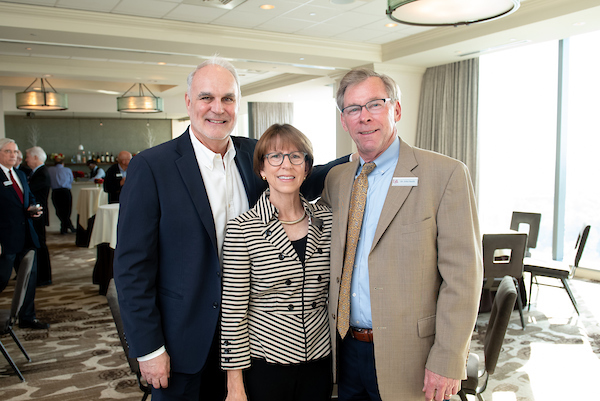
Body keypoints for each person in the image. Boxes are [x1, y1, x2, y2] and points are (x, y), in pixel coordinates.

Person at [114, 57, 348, 401]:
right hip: (184, 341)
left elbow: (302, 176)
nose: (217, 109)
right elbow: (132, 268)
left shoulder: (253, 153)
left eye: (228, 99)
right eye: (207, 97)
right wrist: (149, 349)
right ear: (189, 101)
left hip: (252, 342)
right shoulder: (152, 166)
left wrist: (364, 154)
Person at [320, 68, 482, 401]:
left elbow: (463, 278)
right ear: (344, 121)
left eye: (374, 105)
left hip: (413, 357)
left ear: (395, 110)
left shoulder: (445, 174)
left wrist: (449, 358)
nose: (364, 117)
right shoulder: (336, 180)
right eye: (353, 109)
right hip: (345, 351)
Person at [221, 124, 333, 401]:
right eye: (275, 157)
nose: (286, 165)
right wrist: (234, 386)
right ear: (261, 169)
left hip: (320, 360)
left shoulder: (329, 220)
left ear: (307, 168)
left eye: (296, 156)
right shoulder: (242, 229)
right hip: (266, 364)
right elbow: (233, 312)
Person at [0, 138, 49, 330]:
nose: (13, 155)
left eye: (15, 151)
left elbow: (29, 197)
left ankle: (28, 317)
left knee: (28, 281)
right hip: (6, 239)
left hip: (27, 235)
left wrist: (34, 208)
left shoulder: (20, 174)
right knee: (2, 279)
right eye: (7, 151)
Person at [26, 146, 53, 286]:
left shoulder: (42, 173)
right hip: (36, 214)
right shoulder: (36, 172)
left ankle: (44, 277)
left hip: (38, 214)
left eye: (28, 157)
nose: (26, 160)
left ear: (36, 157)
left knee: (40, 245)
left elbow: (29, 191)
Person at [47, 155, 75, 234]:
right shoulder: (67, 169)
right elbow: (71, 180)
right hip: (66, 191)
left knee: (59, 211)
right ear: (62, 163)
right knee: (67, 210)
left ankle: (64, 228)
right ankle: (69, 226)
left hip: (55, 192)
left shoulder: (50, 170)